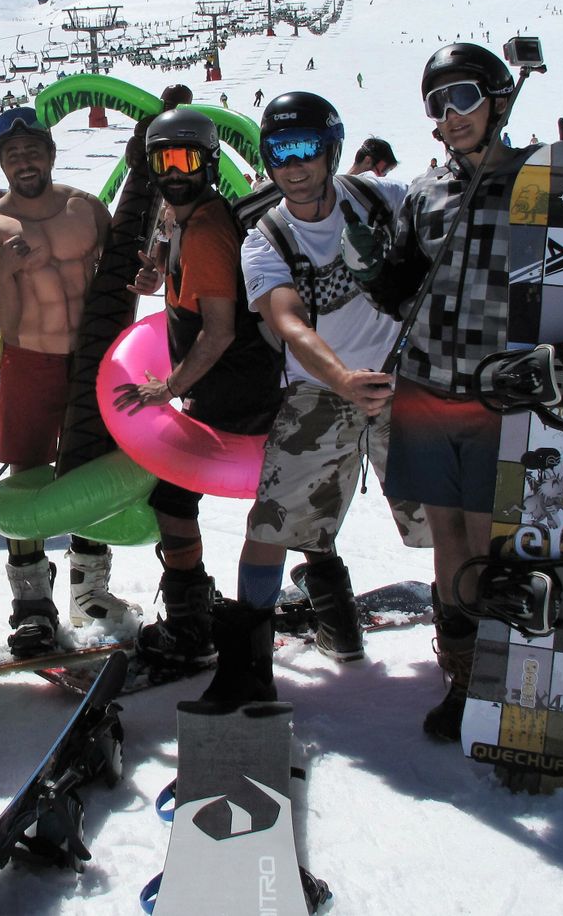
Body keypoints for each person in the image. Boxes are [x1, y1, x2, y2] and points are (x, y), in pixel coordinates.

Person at [340, 42, 563, 740]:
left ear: (498, 97)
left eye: (462, 97)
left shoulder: (542, 179)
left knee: (501, 533)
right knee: (448, 532)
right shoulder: (428, 192)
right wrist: (376, 269)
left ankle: (510, 667)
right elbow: (403, 294)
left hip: (511, 391)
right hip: (431, 380)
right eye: (437, 104)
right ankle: (462, 675)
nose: (449, 115)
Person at [204, 93, 432, 706]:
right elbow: (290, 323)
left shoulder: (382, 200)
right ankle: (250, 655)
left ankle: (470, 646)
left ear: (331, 149)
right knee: (274, 522)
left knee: (449, 517)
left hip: (404, 380)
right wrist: (341, 379)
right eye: (279, 151)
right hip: (319, 392)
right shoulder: (266, 239)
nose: (293, 164)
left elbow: (452, 210)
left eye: (306, 148)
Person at [117, 110, 284, 677]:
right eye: (164, 160)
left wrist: (169, 387)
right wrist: (154, 276)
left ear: (209, 164)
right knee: (252, 500)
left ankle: (190, 624)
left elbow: (219, 329)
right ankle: (330, 599)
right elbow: (174, 267)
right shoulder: (180, 215)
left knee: (173, 500)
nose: (175, 172)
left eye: (188, 159)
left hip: (235, 390)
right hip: (220, 385)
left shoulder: (210, 229)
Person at [0, 107, 136, 655]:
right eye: (12, 154)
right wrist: (6, 269)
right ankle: (31, 603)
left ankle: (89, 590)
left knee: (90, 467)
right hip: (30, 357)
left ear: (49, 153)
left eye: (32, 150)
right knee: (27, 473)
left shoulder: (86, 208)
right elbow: (0, 317)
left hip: (92, 358)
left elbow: (119, 277)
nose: (24, 161)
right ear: (1, 163)